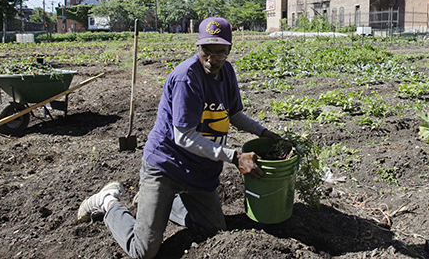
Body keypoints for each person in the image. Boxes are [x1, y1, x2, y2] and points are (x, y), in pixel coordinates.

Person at [77, 16, 280, 259]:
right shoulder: (187, 78)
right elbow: (183, 137)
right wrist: (234, 157)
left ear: (229, 50)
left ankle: (156, 204)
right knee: (144, 251)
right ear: (198, 47)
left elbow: (234, 114)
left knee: (214, 231)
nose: (212, 59)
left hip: (201, 173)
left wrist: (263, 132)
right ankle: (108, 202)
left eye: (220, 52)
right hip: (166, 166)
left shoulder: (226, 72)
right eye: (206, 50)